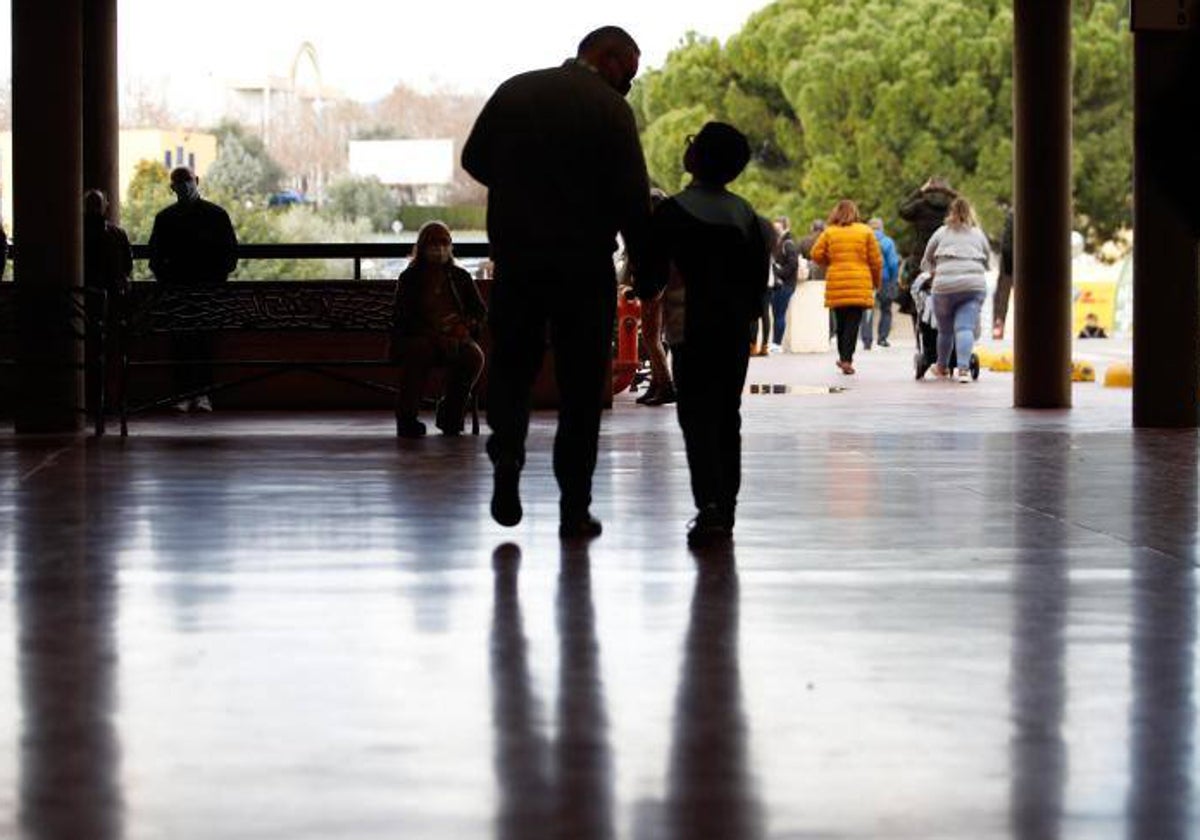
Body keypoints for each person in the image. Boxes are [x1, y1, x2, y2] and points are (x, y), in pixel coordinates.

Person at [462, 26, 652, 538]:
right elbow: (634, 198)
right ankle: (574, 505)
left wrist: (521, 185)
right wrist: (648, 270)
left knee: (513, 365)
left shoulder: (517, 90)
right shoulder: (611, 112)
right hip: (583, 264)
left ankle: (507, 458)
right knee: (581, 385)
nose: (626, 87)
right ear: (609, 58)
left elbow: (473, 160)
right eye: (628, 75)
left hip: (518, 257)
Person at [635, 121, 771, 547]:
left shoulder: (673, 212)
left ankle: (708, 506)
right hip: (733, 331)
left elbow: (649, 278)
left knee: (696, 417)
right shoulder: (746, 214)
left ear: (697, 157)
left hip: (688, 329)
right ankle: (725, 507)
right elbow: (756, 284)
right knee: (727, 416)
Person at [148, 166, 238, 412]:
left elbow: (154, 258)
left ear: (194, 181)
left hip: (181, 292)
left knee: (186, 344)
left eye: (185, 180)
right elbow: (230, 255)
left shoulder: (165, 218)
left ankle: (185, 395)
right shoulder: (216, 215)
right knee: (199, 344)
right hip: (206, 292)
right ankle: (202, 395)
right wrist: (215, 280)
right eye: (180, 181)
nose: (184, 185)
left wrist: (168, 281)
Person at [390, 221, 487, 438]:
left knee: (473, 356)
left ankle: (451, 416)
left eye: (444, 242)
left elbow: (479, 311)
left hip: (455, 337)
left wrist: (466, 326)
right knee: (419, 352)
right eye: (433, 242)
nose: (439, 247)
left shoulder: (460, 277)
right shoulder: (410, 278)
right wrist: (435, 337)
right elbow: (403, 319)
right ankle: (407, 419)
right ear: (422, 246)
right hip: (418, 338)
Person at [921, 195, 991, 383]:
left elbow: (927, 259)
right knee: (964, 328)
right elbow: (987, 259)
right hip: (973, 286)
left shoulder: (941, 232)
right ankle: (963, 370)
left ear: (951, 213)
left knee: (945, 331)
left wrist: (930, 271)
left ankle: (942, 367)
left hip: (944, 287)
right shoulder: (978, 233)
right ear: (970, 213)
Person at [811, 200, 882, 375]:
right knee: (853, 323)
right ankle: (846, 359)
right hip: (860, 282)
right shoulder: (865, 231)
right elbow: (876, 261)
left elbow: (815, 254)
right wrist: (876, 282)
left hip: (837, 281)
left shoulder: (830, 232)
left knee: (841, 323)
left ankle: (844, 358)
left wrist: (830, 263)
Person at [82, 189, 133, 423]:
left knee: (87, 352)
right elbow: (127, 267)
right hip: (111, 303)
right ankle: (108, 401)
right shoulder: (116, 234)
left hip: (83, 303)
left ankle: (88, 399)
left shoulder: (75, 234)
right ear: (107, 206)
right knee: (110, 353)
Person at [631, 187, 676, 406]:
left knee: (651, 337)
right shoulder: (667, 227)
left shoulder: (654, 230)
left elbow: (652, 262)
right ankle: (657, 384)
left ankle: (666, 386)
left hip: (654, 287)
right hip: (660, 286)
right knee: (654, 338)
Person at [898, 177, 957, 313]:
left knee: (914, 291)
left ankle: (915, 314)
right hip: (944, 259)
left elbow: (902, 210)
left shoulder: (919, 205)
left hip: (920, 257)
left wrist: (919, 191)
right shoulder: (952, 209)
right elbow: (968, 211)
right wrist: (952, 193)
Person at [859, 217, 900, 350]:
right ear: (881, 228)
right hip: (885, 279)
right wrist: (894, 278)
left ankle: (867, 340)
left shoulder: (863, 241)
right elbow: (893, 263)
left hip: (867, 279)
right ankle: (882, 338)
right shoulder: (887, 242)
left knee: (867, 309)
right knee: (886, 309)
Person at [768, 215, 800, 352]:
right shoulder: (779, 242)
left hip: (785, 284)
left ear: (786, 227)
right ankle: (775, 343)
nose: (775, 231)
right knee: (776, 313)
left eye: (778, 228)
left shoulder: (788, 243)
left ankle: (777, 344)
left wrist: (778, 272)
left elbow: (793, 264)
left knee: (779, 313)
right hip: (780, 284)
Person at [992, 206, 1014, 338]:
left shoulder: (1012, 214)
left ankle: (998, 324)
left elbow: (1006, 242)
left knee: (1002, 294)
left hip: (1008, 259)